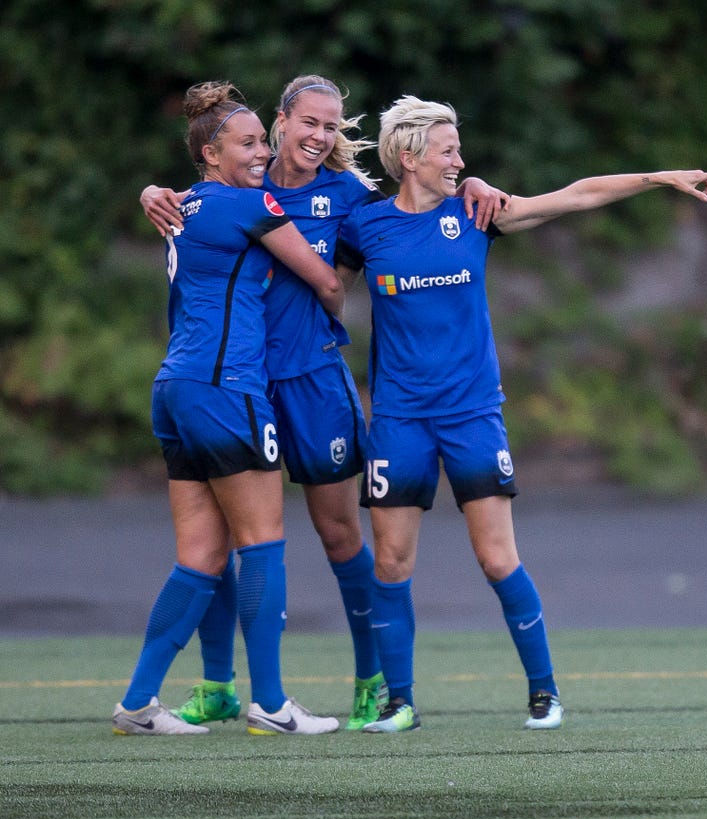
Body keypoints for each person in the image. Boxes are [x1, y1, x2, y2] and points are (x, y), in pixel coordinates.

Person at [336, 94, 707, 733]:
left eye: (459, 148)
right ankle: (398, 702)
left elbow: (576, 195)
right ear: (408, 157)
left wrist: (659, 178)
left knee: (496, 559)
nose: (460, 160)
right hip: (399, 421)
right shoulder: (365, 226)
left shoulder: (476, 213)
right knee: (390, 565)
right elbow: (320, 287)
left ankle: (544, 693)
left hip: (471, 416)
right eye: (448, 149)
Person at [139, 75, 509, 730]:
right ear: (280, 122)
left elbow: (418, 205)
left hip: (313, 380)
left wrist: (472, 185)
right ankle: (219, 684)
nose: (319, 136)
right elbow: (194, 201)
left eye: (332, 126)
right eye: (308, 121)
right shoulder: (243, 178)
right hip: (240, 383)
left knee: (339, 532)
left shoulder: (347, 197)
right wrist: (149, 192)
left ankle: (372, 679)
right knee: (219, 541)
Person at [114, 82, 345, 735]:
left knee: (200, 557)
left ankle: (137, 702)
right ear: (210, 152)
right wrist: (337, 289)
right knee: (263, 543)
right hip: (229, 389)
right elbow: (324, 280)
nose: (261, 151)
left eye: (261, 141)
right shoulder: (254, 203)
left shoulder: (182, 205)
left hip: (176, 388)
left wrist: (147, 190)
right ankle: (270, 703)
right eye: (246, 143)